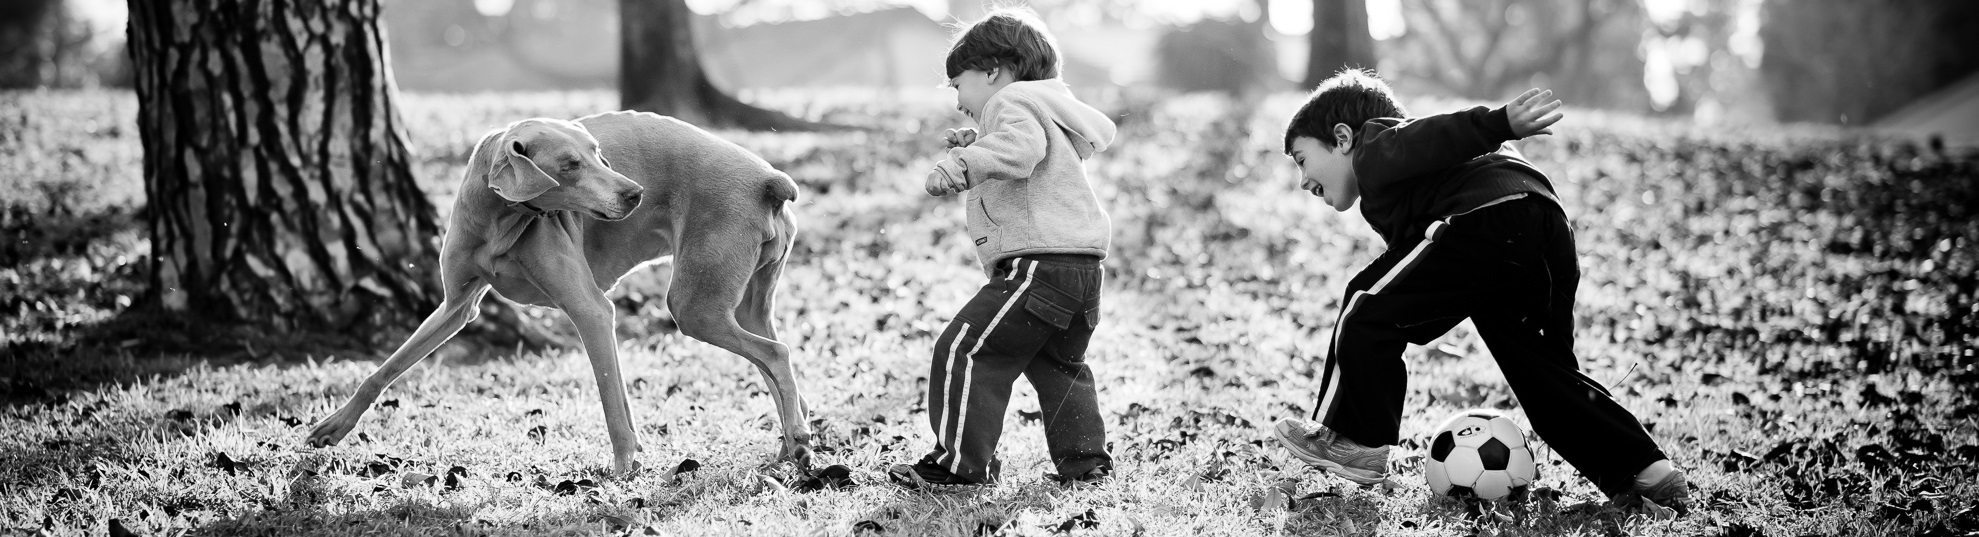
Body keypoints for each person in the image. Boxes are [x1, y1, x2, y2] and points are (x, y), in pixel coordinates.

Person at [1269, 69, 1691, 512]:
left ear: (1341, 139)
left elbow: (1436, 135)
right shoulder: (1414, 176)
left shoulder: (1377, 146)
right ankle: (1647, 472)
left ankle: (1356, 441)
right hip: (1541, 223)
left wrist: (1499, 123)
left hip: (1484, 219)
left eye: (1301, 159)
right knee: (1543, 373)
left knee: (1365, 305)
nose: (1302, 181)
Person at [886, 7, 1118, 489]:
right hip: (1081, 268)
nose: (957, 101)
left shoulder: (1010, 99)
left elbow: (1020, 150)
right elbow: (1033, 147)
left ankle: (959, 465)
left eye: (958, 84)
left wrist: (963, 163)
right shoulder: (1045, 106)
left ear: (992, 70)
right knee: (1060, 365)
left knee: (964, 350)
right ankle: (1086, 463)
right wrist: (983, 136)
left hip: (1038, 266)